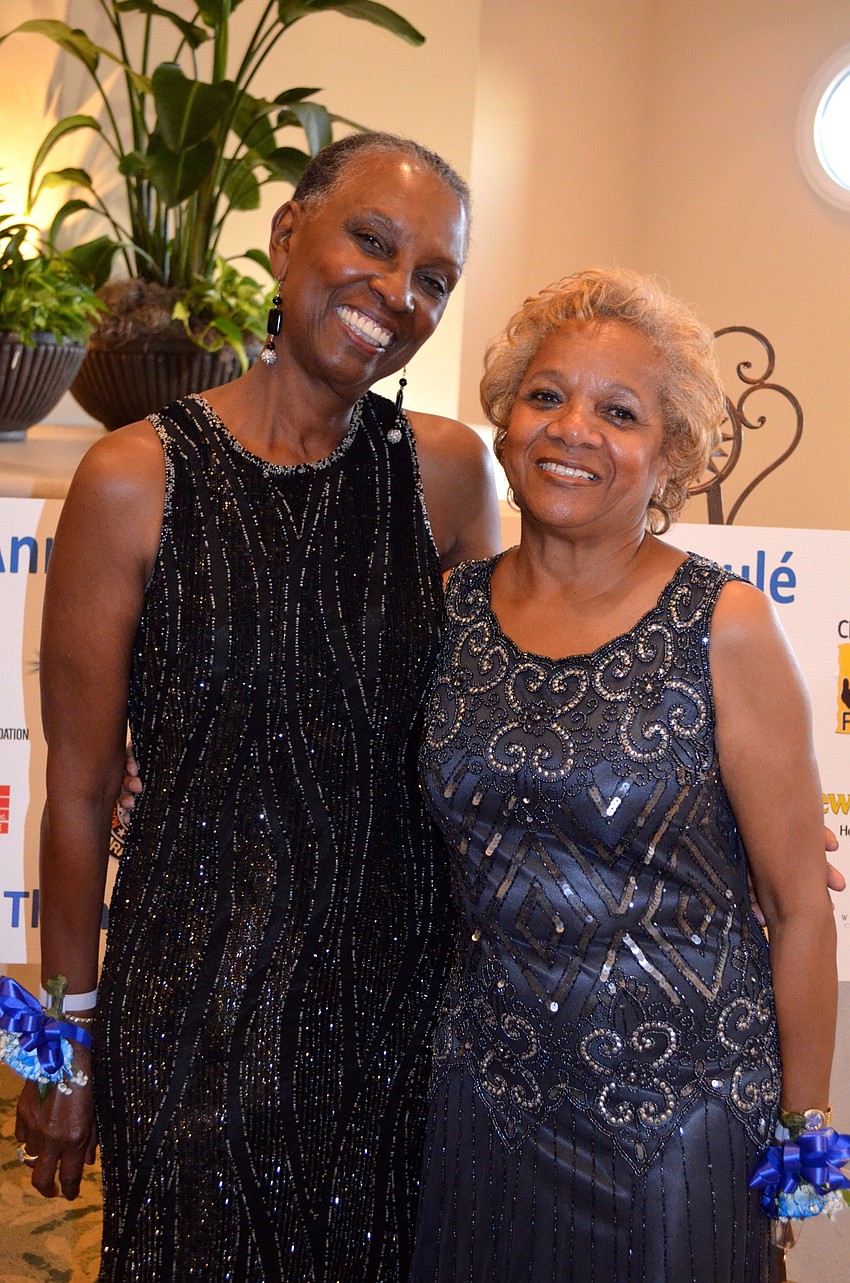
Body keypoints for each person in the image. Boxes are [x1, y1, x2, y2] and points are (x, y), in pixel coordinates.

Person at [14, 132, 501, 1283]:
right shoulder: (132, 477)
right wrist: (57, 1047)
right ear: (289, 236)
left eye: (434, 276)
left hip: (395, 1014)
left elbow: (500, 717)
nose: (399, 293)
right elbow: (79, 790)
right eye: (371, 242)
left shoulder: (447, 472)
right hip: (190, 1012)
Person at [410, 268, 837, 1282]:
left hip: (678, 1126)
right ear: (507, 424)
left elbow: (797, 903)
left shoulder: (721, 623)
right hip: (482, 1103)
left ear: (670, 455)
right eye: (546, 396)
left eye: (619, 411)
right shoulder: (445, 612)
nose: (572, 429)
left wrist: (802, 1132)